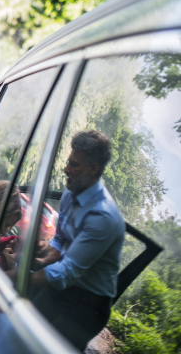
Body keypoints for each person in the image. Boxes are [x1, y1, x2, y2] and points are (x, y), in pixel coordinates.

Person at [30, 130, 125, 351]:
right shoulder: (70, 195)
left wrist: (18, 277)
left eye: (74, 164)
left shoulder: (103, 217)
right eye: (68, 162)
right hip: (61, 289)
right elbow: (61, 239)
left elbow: (66, 272)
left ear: (93, 169)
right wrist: (44, 258)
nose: (66, 169)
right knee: (21, 334)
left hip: (88, 306)